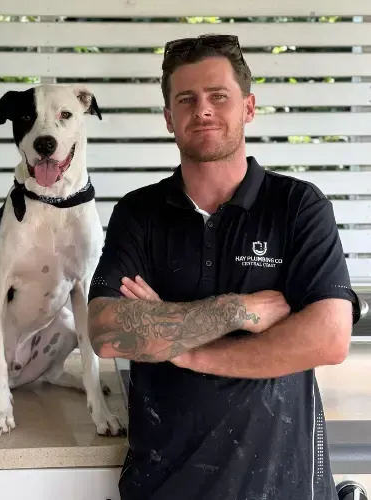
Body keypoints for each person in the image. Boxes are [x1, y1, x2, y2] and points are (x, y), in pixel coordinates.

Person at [86, 34, 361, 500]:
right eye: (186, 99)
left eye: (218, 96)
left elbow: (329, 338)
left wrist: (182, 350)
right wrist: (238, 310)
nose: (203, 110)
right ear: (169, 118)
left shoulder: (297, 206)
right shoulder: (140, 214)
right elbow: (107, 332)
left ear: (248, 107)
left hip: (284, 487)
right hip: (163, 487)